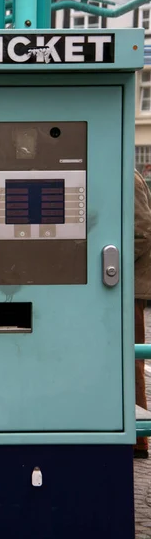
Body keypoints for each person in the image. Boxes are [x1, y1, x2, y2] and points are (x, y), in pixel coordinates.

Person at [134, 169, 151, 458]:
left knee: (129, 360)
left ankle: (137, 439)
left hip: (129, 286)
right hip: (127, 283)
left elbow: (141, 230)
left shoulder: (126, 174)